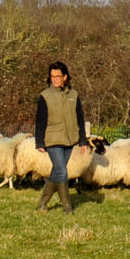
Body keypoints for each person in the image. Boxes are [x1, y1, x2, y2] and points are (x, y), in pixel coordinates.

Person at [33, 61, 87, 213]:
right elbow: (40, 120)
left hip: (70, 139)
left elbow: (80, 118)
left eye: (58, 76)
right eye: (52, 76)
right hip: (53, 139)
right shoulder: (45, 96)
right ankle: (68, 207)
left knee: (56, 172)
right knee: (62, 171)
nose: (55, 79)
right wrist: (39, 142)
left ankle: (42, 204)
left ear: (65, 77)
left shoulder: (74, 95)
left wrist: (83, 140)